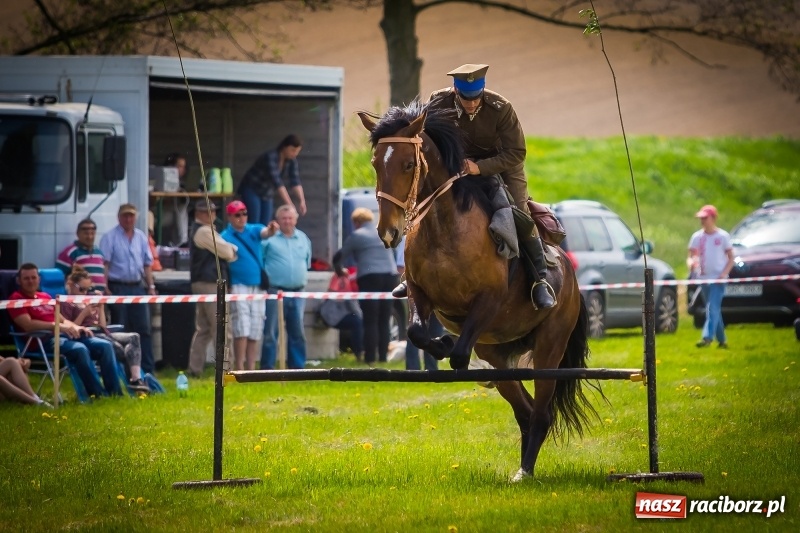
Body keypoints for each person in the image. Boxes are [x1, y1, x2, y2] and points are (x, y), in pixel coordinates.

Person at [392, 64, 554, 309]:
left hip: (502, 164)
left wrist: (481, 167)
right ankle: (411, 277)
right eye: (465, 98)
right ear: (456, 90)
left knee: (520, 211)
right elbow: (422, 135)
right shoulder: (438, 101)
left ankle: (539, 280)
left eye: (476, 98)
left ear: (483, 91)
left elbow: (517, 152)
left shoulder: (501, 108)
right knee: (425, 206)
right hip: (456, 165)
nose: (471, 104)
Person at [8, 263, 122, 398]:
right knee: (80, 349)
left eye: (33, 277)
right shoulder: (16, 299)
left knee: (105, 346)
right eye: (26, 278)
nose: (31, 281)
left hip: (64, 334)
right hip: (42, 340)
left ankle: (115, 394)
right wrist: (57, 327)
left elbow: (61, 319)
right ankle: (98, 394)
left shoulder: (44, 296)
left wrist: (76, 327)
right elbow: (28, 325)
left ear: (39, 279)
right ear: (19, 280)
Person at [61, 266, 150, 392]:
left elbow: (102, 326)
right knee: (119, 349)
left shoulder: (86, 299)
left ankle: (136, 380)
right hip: (85, 335)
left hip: (101, 333)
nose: (85, 293)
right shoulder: (66, 302)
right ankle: (124, 387)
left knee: (134, 337)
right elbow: (70, 328)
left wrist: (101, 307)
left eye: (88, 289)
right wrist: (84, 313)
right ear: (71, 285)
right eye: (82, 289)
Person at [333, 208, 399, 366]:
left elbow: (339, 257)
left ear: (356, 222)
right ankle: (383, 357)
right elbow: (394, 252)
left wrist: (339, 271)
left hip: (370, 277)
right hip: (390, 276)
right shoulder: (383, 231)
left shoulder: (357, 235)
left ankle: (370, 358)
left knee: (370, 319)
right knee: (385, 318)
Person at [99, 203, 157, 374]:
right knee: (121, 330)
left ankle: (148, 369)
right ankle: (124, 369)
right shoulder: (110, 237)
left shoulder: (141, 237)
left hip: (138, 288)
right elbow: (105, 264)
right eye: (125, 216)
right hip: (118, 288)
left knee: (144, 329)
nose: (128, 219)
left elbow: (147, 265)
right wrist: (105, 286)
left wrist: (151, 286)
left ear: (136, 217)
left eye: (131, 216)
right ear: (119, 217)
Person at [221, 200, 275, 370]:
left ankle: (251, 368)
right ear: (229, 216)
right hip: (238, 285)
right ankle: (240, 367)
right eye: (237, 214)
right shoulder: (224, 236)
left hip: (258, 286)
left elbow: (265, 233)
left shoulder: (254, 229)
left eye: (244, 213)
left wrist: (272, 229)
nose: (242, 217)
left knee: (255, 328)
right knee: (241, 327)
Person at [188, 199, 238, 377]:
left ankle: (195, 369)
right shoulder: (202, 231)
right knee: (222, 328)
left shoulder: (207, 230)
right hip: (210, 284)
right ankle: (226, 370)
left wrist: (229, 248)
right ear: (198, 214)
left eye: (214, 211)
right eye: (206, 212)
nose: (212, 215)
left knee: (204, 330)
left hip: (205, 282)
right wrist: (232, 249)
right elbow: (226, 252)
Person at [260, 205, 312, 370]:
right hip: (275, 291)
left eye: (290, 218)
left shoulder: (303, 238)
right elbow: (261, 260)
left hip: (298, 291)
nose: (287, 221)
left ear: (296, 219)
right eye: (284, 218)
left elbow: (307, 262)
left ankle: (297, 368)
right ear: (278, 221)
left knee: (297, 332)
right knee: (270, 332)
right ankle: (267, 368)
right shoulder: (270, 239)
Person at [688, 204, 735, 349]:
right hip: (704, 279)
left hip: (718, 280)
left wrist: (723, 274)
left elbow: (731, 258)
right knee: (714, 309)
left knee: (711, 308)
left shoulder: (722, 236)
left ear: (713, 218)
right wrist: (692, 264)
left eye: (705, 218)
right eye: (701, 218)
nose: (702, 221)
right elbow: (691, 256)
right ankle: (722, 340)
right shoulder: (697, 237)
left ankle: (707, 338)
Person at [237, 134, 307, 226]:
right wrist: (290, 204)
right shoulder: (270, 157)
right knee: (254, 220)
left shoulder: (291, 160)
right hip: (252, 188)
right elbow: (277, 182)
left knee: (265, 223)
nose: (295, 154)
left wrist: (302, 200)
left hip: (267, 192)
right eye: (293, 150)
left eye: (297, 151)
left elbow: (295, 180)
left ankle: (263, 240)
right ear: (284, 147)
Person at [319, 271, 364, 361]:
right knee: (358, 322)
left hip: (335, 312)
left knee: (359, 321)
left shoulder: (342, 277)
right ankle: (359, 353)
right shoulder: (344, 278)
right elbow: (351, 304)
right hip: (331, 314)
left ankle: (361, 352)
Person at [55, 218, 108, 294]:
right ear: (78, 234)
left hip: (99, 299)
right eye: (86, 233)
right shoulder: (70, 252)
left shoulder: (99, 253)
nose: (90, 237)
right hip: (80, 300)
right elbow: (58, 276)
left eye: (92, 233)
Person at [160, 152, 191, 246]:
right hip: (160, 214)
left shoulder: (181, 182)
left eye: (183, 167)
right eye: (179, 166)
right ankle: (183, 241)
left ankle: (181, 242)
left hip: (173, 213)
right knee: (180, 210)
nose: (181, 169)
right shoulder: (161, 179)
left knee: (181, 209)